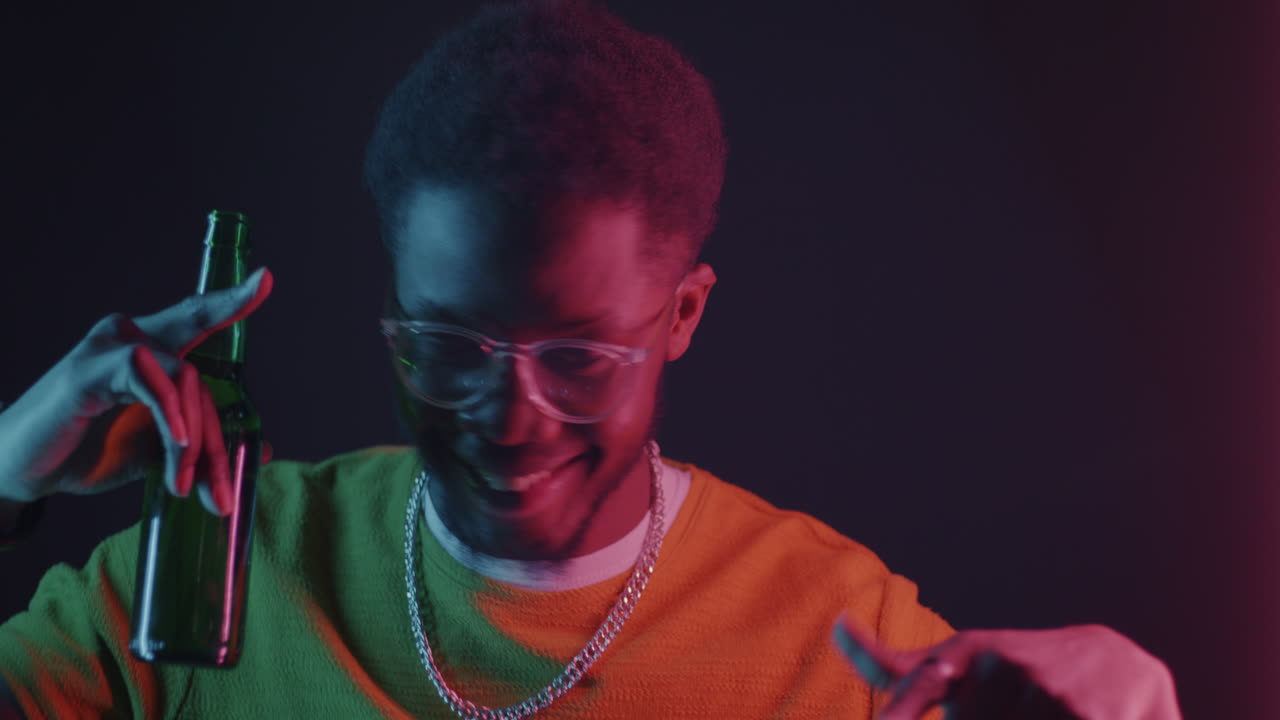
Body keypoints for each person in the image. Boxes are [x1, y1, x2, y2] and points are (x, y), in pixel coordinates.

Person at [0, 1, 1180, 718]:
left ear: (681, 316)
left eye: (574, 355)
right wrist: (4, 479)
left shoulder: (839, 637)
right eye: (446, 344)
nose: (507, 414)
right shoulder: (208, 576)